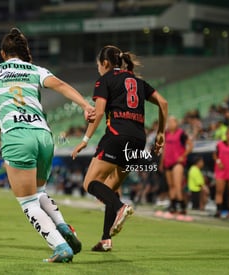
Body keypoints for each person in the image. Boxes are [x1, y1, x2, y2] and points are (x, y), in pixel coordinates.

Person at [0, 28, 95, 263]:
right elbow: (61, 85)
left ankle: (61, 246)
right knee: (39, 192)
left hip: (17, 135)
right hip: (43, 135)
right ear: (24, 53)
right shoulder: (35, 70)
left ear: (3, 53)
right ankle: (62, 226)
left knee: (28, 202)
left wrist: (0, 129)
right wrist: (85, 105)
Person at [72, 45, 168, 252]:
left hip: (117, 136)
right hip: (138, 140)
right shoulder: (138, 81)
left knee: (90, 182)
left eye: (98, 64)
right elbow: (163, 103)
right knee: (111, 187)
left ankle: (120, 208)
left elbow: (98, 114)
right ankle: (106, 239)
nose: (98, 68)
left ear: (105, 63)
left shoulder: (105, 79)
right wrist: (160, 133)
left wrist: (85, 139)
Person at [161, 116, 193, 216]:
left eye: (172, 122)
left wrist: (183, 156)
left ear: (176, 123)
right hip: (167, 162)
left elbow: (190, 146)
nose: (170, 124)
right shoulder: (165, 134)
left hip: (177, 162)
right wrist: (161, 162)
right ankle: (173, 205)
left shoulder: (181, 133)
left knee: (177, 184)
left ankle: (181, 205)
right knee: (171, 185)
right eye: (168, 122)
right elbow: (164, 149)